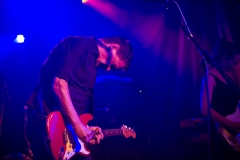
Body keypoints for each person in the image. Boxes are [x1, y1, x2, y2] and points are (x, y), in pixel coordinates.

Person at [25, 36, 133, 160]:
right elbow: (59, 84)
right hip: (48, 124)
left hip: (66, 131)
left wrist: (86, 130)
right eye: (113, 65)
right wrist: (77, 125)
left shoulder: (92, 66)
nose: (108, 69)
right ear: (114, 47)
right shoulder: (80, 45)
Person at [200, 37, 240, 160]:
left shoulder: (227, 78)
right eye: (233, 63)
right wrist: (231, 124)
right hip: (223, 134)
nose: (234, 67)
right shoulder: (210, 78)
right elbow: (204, 108)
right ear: (224, 57)